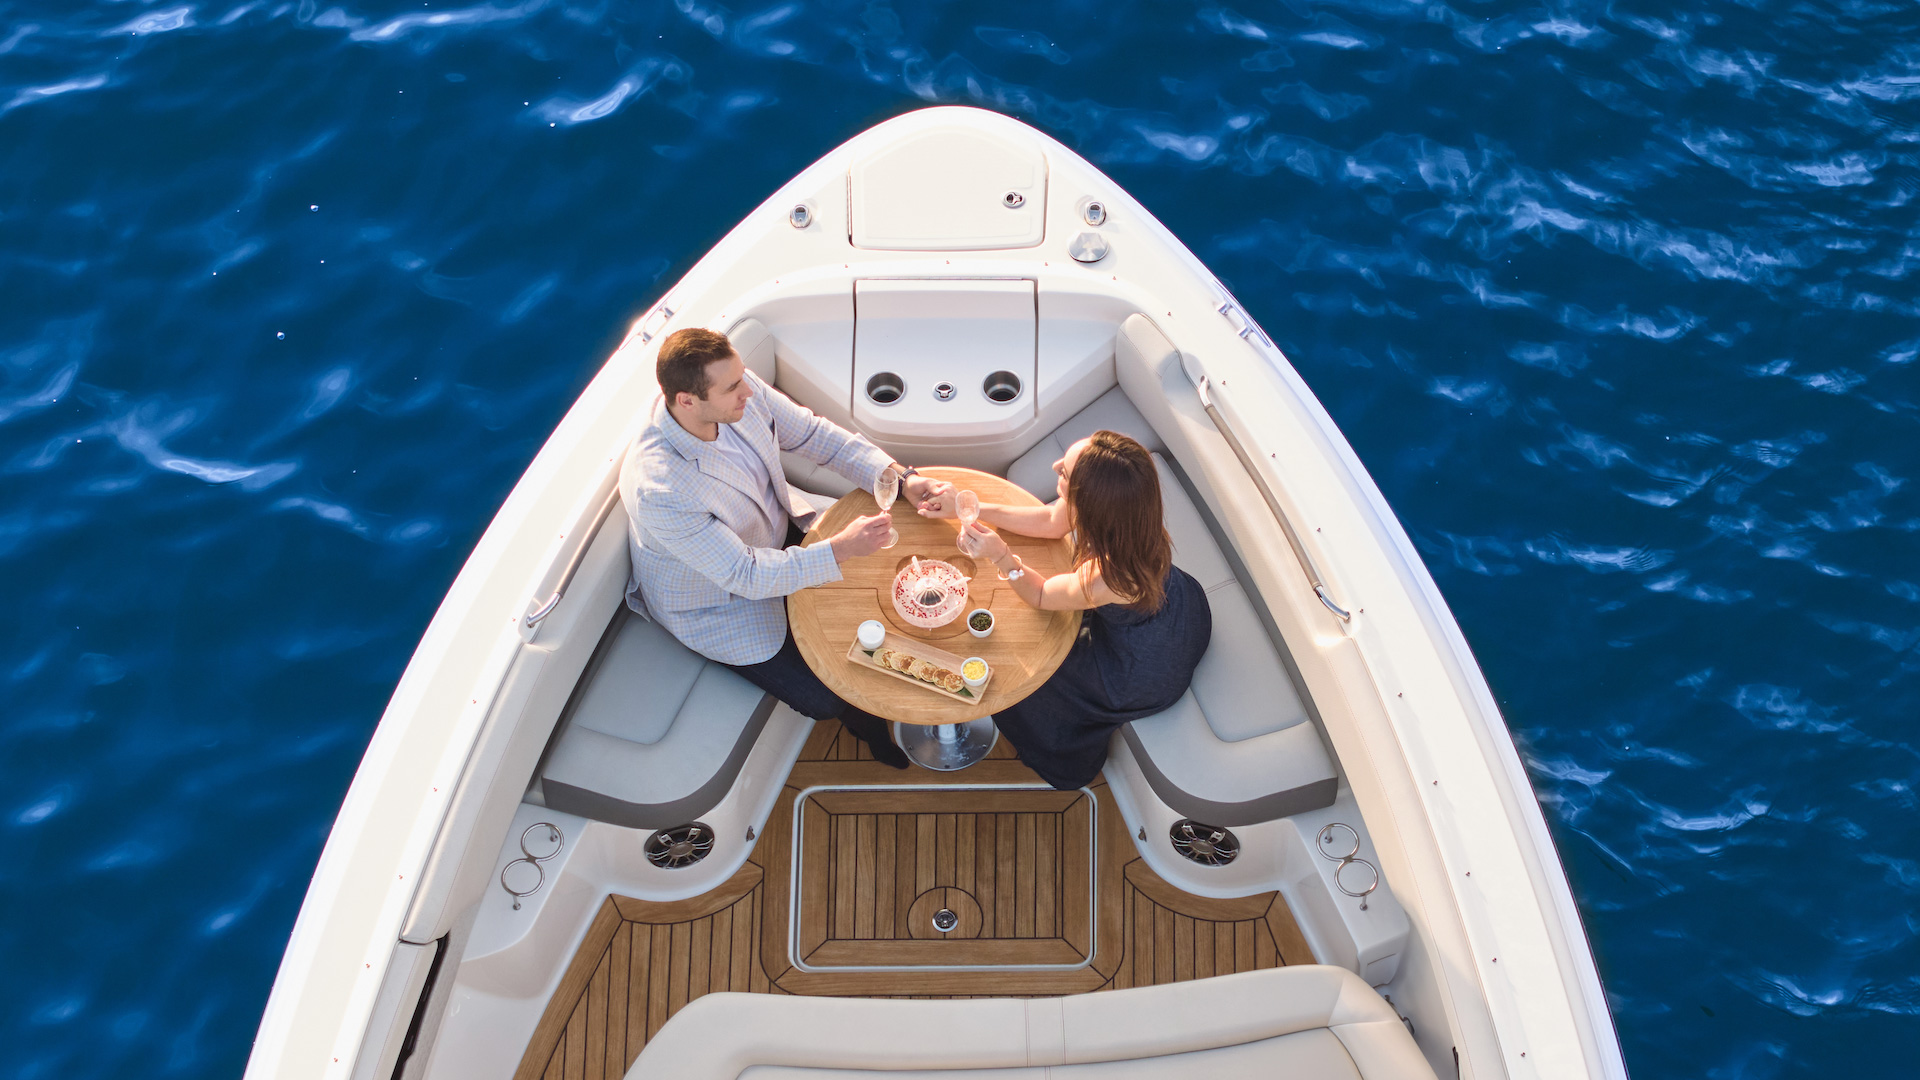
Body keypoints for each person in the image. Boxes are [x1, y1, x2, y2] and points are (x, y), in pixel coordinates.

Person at [621, 327, 949, 768]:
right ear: (687, 401)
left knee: (878, 591)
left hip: (774, 533)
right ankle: (869, 729)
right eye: (734, 386)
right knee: (825, 698)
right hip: (719, 600)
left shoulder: (737, 393)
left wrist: (900, 479)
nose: (749, 390)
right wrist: (840, 550)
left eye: (742, 376)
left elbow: (814, 436)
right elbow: (745, 575)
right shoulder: (660, 488)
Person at [921, 430, 1211, 790]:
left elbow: (1041, 595)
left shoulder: (1109, 576)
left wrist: (1000, 555)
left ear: (1088, 501)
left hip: (1140, 668)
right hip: (1174, 608)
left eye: (1065, 473)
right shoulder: (1128, 515)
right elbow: (1051, 521)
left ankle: (1065, 765)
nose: (1055, 465)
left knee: (1029, 679)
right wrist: (972, 510)